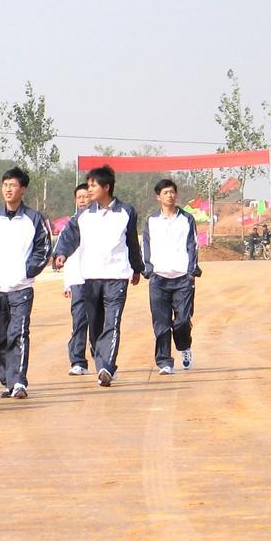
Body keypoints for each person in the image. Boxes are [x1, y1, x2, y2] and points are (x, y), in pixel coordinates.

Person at [52, 165, 143, 387]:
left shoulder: (126, 212)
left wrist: (137, 268)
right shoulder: (83, 215)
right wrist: (61, 254)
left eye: (93, 185)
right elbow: (69, 236)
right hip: (90, 277)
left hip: (116, 277)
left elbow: (132, 242)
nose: (89, 190)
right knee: (95, 325)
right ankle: (102, 362)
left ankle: (106, 367)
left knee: (112, 322)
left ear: (106, 187)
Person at [0, 167, 51, 398]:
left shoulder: (34, 218)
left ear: (23, 189)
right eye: (5, 185)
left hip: (21, 288)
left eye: (13, 185)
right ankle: (8, 380)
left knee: (18, 333)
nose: (8, 189)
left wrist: (27, 271)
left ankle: (18, 381)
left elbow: (44, 248)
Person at [140, 178, 202, 374]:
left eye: (172, 192)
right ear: (158, 197)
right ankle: (164, 361)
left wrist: (191, 271)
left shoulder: (186, 219)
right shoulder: (152, 220)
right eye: (166, 193)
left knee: (182, 321)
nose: (170, 195)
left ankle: (184, 346)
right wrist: (148, 270)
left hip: (183, 278)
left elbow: (193, 245)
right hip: (158, 278)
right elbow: (145, 245)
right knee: (161, 323)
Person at [60, 183, 95, 376]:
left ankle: (99, 353)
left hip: (98, 278)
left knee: (98, 320)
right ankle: (78, 361)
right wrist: (67, 283)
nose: (82, 200)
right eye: (79, 197)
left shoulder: (100, 222)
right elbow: (65, 255)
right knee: (79, 321)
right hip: (77, 280)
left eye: (85, 196)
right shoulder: (71, 224)